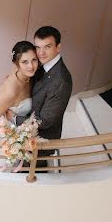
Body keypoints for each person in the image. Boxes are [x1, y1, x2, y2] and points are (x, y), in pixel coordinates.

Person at [29, 26, 73, 168]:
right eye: (38, 47)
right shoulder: (41, 65)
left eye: (47, 47)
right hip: (29, 131)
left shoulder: (61, 80)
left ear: (58, 47)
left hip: (42, 138)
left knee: (33, 171)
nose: (41, 53)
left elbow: (45, 120)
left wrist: (16, 118)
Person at [0, 41, 39, 135]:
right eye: (25, 62)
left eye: (34, 60)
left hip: (25, 128)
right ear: (16, 64)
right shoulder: (10, 92)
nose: (31, 66)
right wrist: (9, 139)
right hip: (11, 132)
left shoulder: (28, 76)